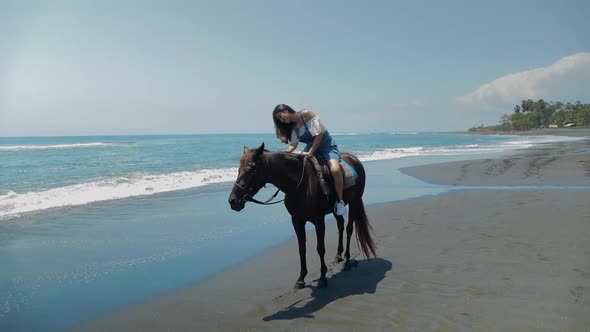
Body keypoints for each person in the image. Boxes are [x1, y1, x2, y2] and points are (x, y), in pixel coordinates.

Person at [272, 104, 346, 216]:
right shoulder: (293, 128)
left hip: (326, 146)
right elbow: (293, 144)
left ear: (286, 110)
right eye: (279, 119)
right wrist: (286, 152)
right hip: (310, 148)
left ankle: (340, 201)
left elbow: (319, 135)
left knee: (335, 170)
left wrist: (310, 153)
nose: (281, 120)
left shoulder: (306, 114)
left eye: (280, 116)